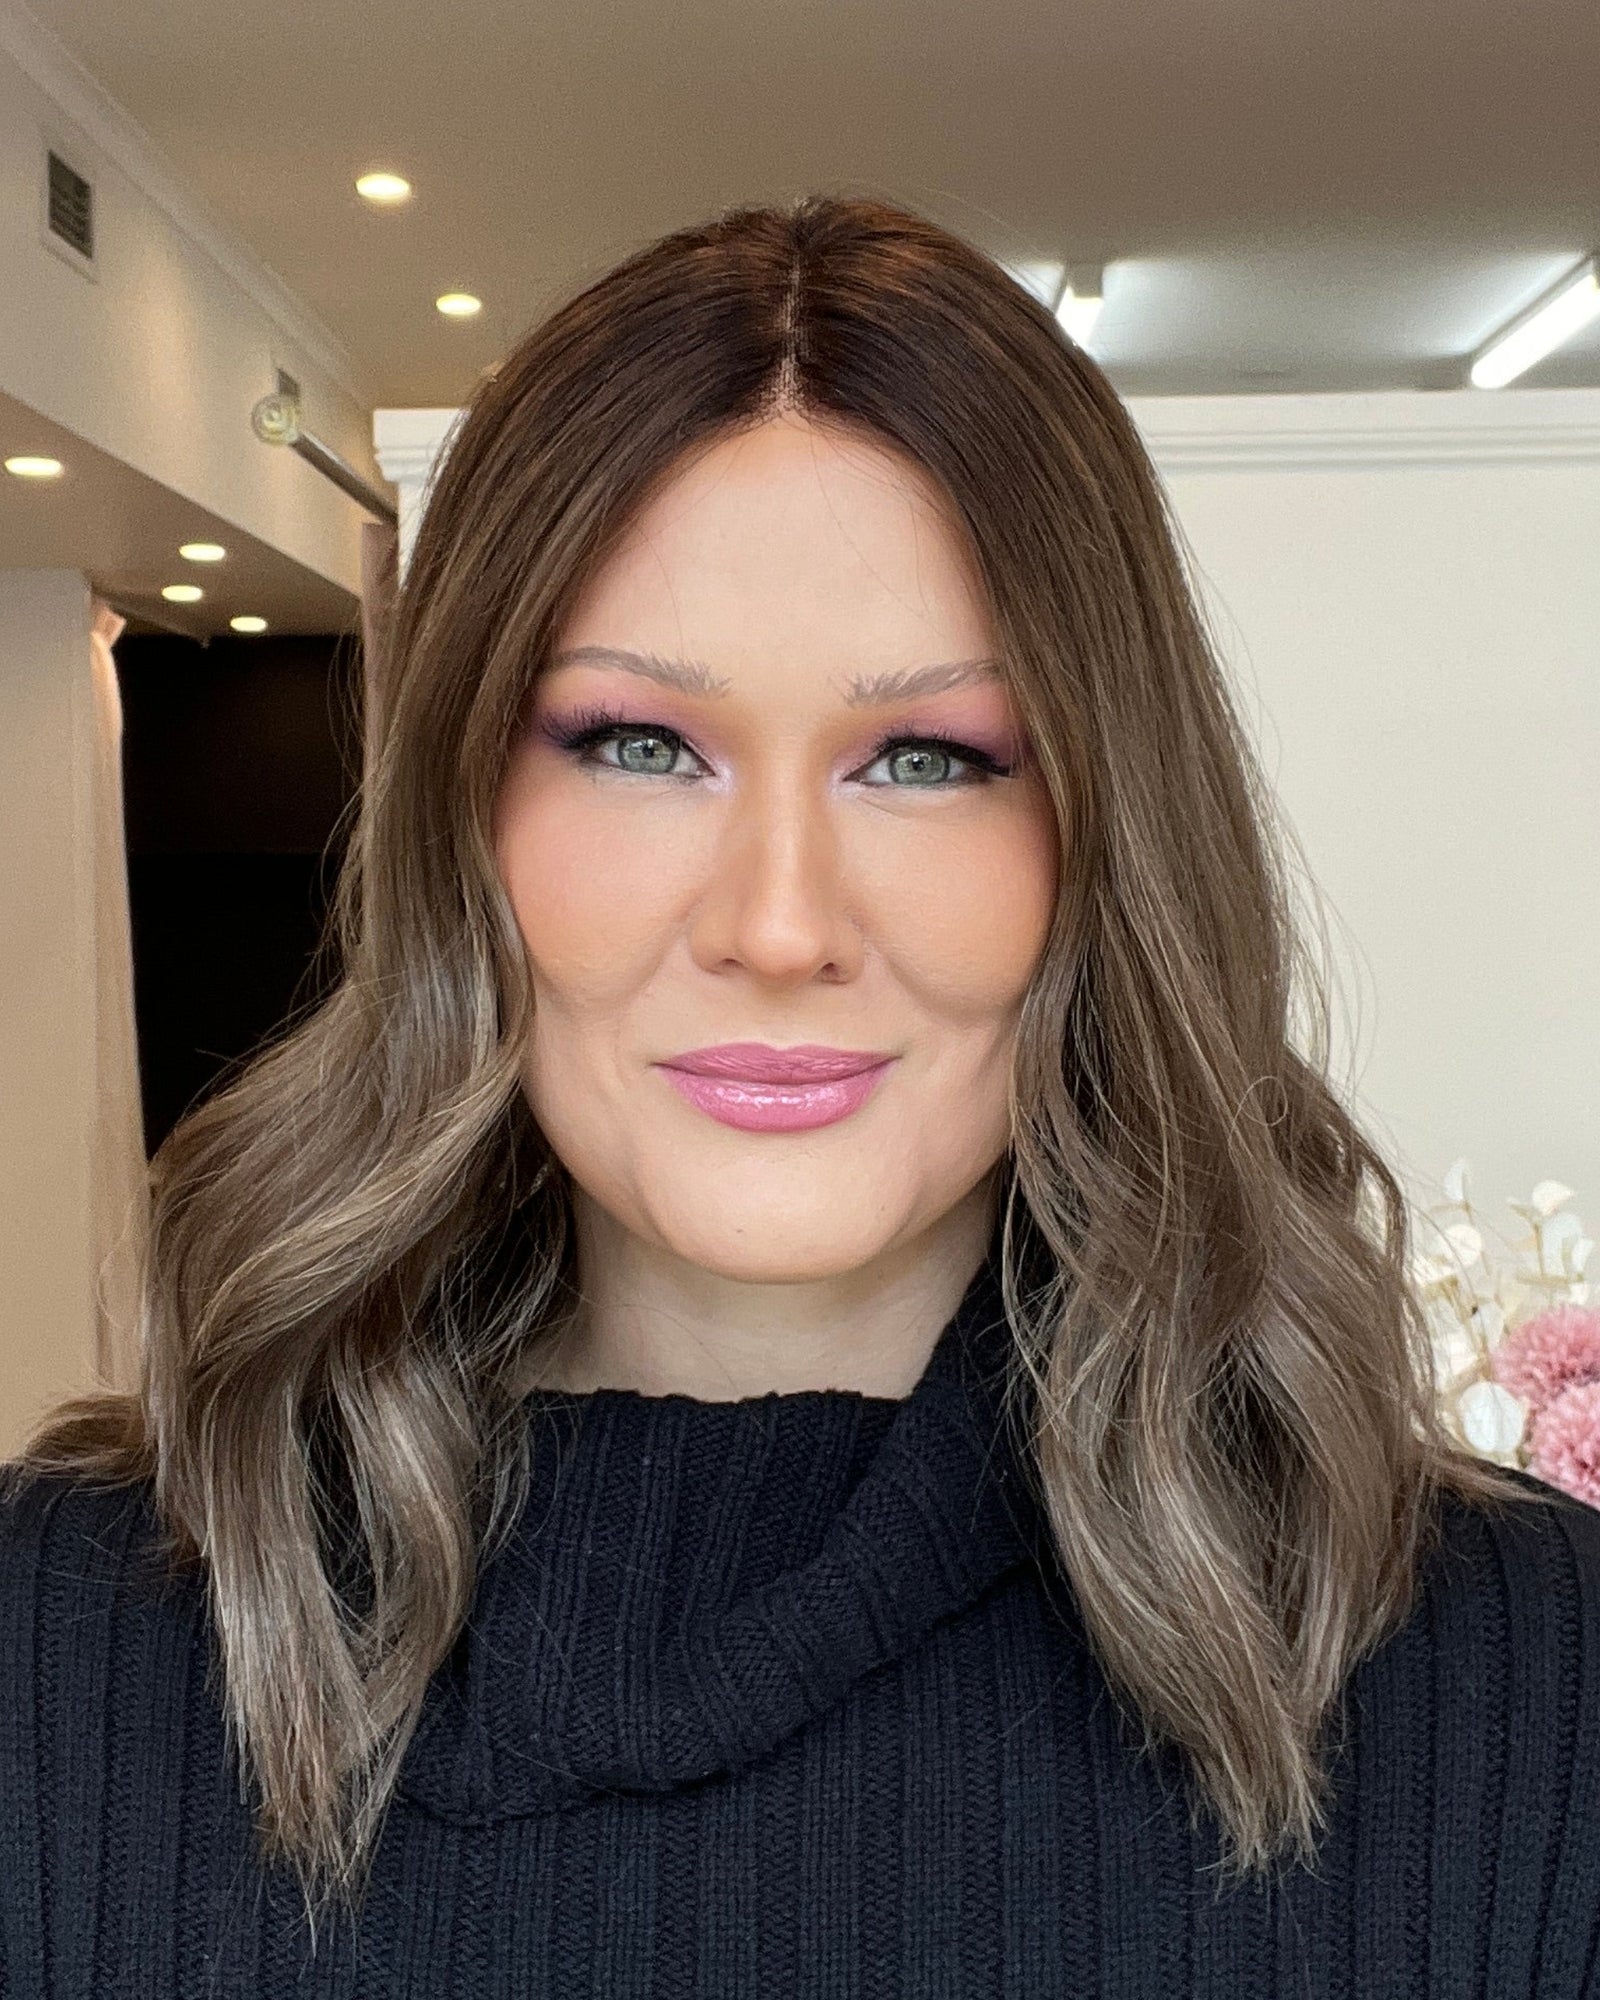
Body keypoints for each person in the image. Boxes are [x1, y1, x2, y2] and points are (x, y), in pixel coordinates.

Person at [3, 194, 1598, 1998]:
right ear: (464, 821)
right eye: (636, 745)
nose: (779, 924)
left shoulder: (1526, 1684)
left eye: (926, 759)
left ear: (1105, 842)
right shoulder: (68, 1655)